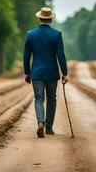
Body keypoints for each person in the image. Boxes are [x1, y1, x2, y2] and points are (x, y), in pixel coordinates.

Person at [23, 7, 68, 138]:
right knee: (51, 99)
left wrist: (27, 72)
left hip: (36, 72)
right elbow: (61, 55)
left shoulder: (30, 34)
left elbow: (26, 56)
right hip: (52, 73)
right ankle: (48, 128)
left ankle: (40, 122)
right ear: (51, 19)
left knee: (39, 98)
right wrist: (64, 72)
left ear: (39, 18)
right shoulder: (57, 34)